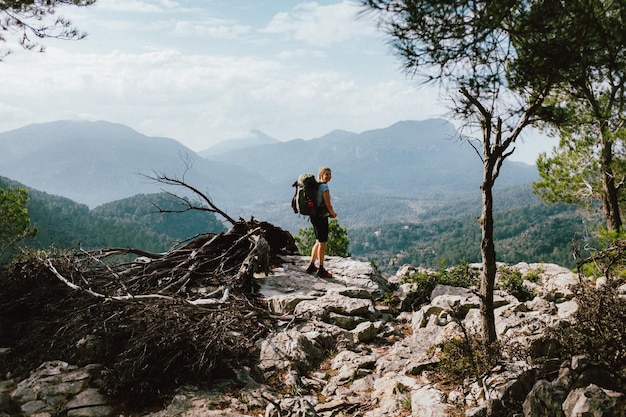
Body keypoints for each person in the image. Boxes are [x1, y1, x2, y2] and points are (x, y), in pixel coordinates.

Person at [306, 166, 337, 278]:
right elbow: (328, 204)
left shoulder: (316, 186)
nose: (329, 176)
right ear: (321, 175)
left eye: (330, 174)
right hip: (321, 218)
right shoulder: (324, 188)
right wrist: (332, 213)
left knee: (318, 241)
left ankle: (312, 265)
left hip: (314, 216)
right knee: (322, 243)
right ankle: (321, 269)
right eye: (326, 174)